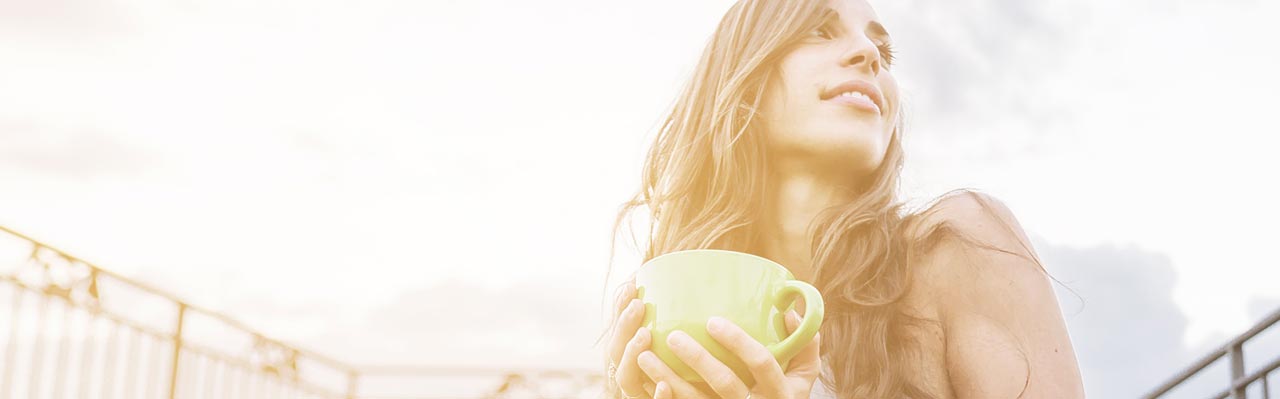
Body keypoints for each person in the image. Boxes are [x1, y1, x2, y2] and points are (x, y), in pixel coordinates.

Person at [596, 0, 1086, 398]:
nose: (868, 55)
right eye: (818, 31)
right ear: (742, 78)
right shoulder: (660, 321)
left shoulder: (956, 243)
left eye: (883, 51)